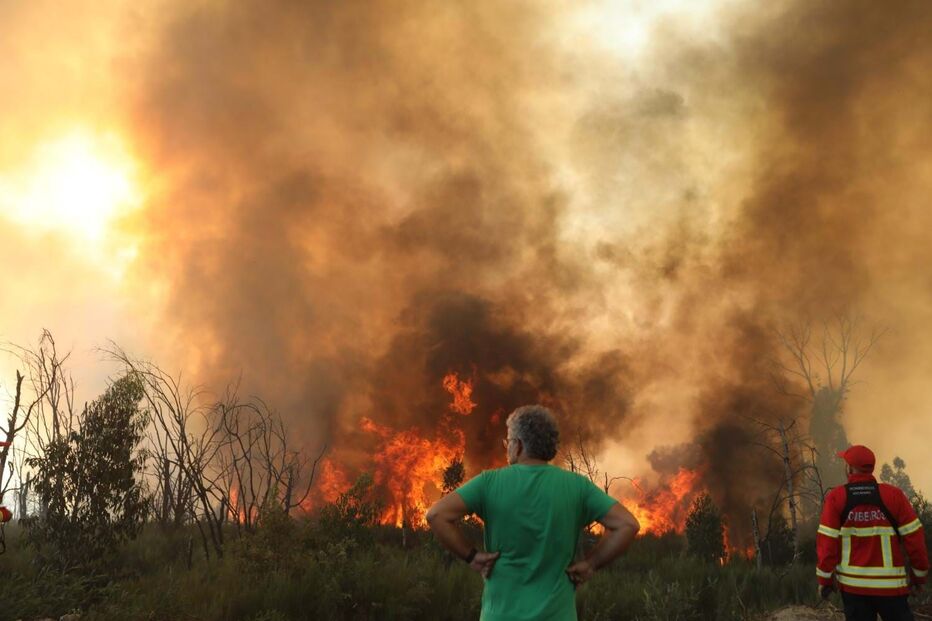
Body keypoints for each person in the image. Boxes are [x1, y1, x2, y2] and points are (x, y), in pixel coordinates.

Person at [426, 405, 640, 621]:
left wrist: (472, 557)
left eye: (508, 442)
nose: (506, 447)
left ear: (518, 445)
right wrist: (591, 563)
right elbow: (627, 525)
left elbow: (437, 515)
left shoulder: (489, 483)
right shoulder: (577, 486)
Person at [817, 444, 929, 621]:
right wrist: (919, 576)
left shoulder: (837, 497)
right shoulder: (894, 496)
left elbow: (827, 543)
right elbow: (915, 540)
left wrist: (825, 580)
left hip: (854, 589)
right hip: (892, 589)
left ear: (850, 468)